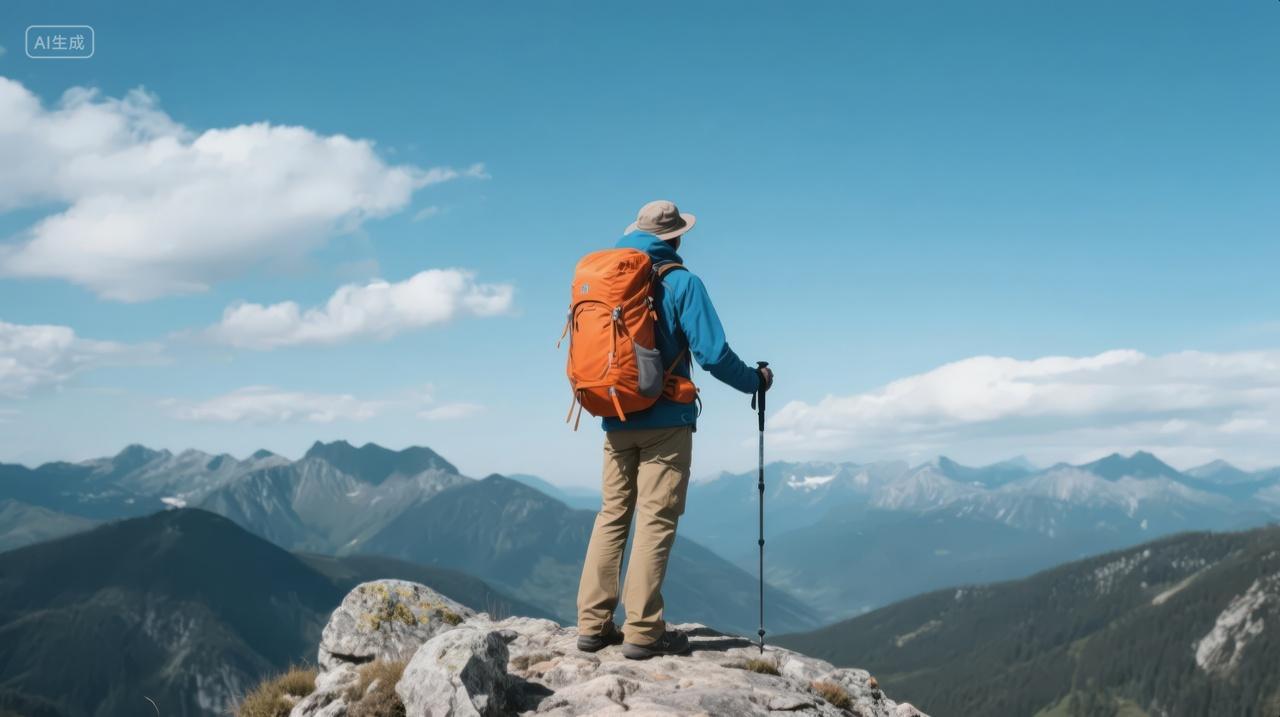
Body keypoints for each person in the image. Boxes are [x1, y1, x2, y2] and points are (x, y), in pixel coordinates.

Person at [575, 199, 774, 660]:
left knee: (612, 515)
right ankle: (644, 631)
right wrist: (756, 381)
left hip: (615, 414)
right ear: (676, 238)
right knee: (656, 518)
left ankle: (592, 624)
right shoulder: (682, 282)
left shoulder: (607, 281)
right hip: (667, 422)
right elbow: (713, 355)